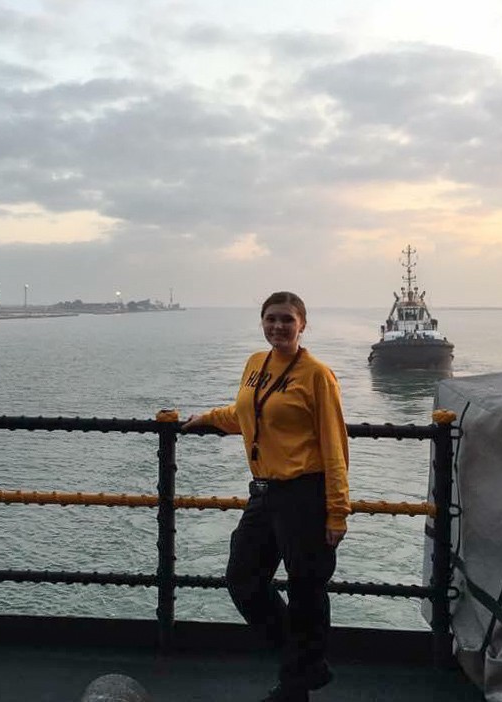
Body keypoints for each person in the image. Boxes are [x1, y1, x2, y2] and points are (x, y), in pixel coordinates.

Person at [183, 291, 350, 702]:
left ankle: (294, 684)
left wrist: (337, 512)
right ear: (262, 322)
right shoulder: (255, 364)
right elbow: (247, 412)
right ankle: (306, 661)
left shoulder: (317, 375)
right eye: (271, 319)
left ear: (302, 325)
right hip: (264, 494)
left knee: (306, 589)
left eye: (287, 320)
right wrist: (207, 418)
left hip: (304, 494)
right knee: (243, 578)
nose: (278, 326)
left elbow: (335, 445)